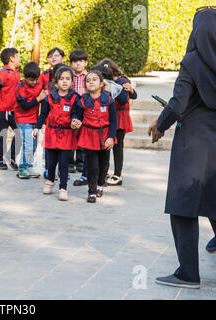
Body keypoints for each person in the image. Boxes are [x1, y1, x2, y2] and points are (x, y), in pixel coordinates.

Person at [149, 8, 216, 289]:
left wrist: (160, 125)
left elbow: (178, 102)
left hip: (195, 142)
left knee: (183, 203)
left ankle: (188, 273)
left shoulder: (192, 61)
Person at [33, 66, 80, 201]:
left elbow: (76, 114)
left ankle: (63, 187)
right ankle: (50, 180)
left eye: (67, 79)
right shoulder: (50, 97)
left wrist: (75, 121)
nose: (64, 82)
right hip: (51, 133)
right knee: (50, 162)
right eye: (61, 79)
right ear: (56, 82)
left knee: (64, 163)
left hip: (66, 134)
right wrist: (37, 127)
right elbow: (43, 114)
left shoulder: (75, 98)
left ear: (72, 82)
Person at [74, 70, 117, 203]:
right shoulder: (83, 100)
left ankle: (100, 185)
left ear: (101, 83)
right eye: (88, 80)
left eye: (94, 79)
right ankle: (92, 191)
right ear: (85, 85)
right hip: (89, 135)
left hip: (105, 135)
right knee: (93, 165)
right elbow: (76, 114)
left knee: (104, 164)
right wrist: (75, 120)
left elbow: (114, 121)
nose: (91, 82)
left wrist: (111, 137)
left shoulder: (108, 99)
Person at [100, 59, 137, 186]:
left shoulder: (122, 81)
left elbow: (127, 97)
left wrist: (130, 90)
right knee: (106, 145)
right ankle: (104, 173)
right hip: (108, 115)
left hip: (120, 116)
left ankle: (117, 174)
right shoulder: (106, 82)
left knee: (118, 146)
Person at [15, 62, 47, 179]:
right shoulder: (20, 88)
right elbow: (25, 106)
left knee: (33, 145)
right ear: (25, 77)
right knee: (28, 144)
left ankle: (28, 165)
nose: (33, 82)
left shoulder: (39, 85)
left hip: (34, 120)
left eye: (35, 80)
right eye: (30, 80)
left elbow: (45, 97)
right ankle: (22, 168)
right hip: (23, 119)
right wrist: (39, 98)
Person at [0, 48, 21, 170]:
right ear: (12, 59)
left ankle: (11, 156)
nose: (19, 58)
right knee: (1, 135)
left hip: (14, 111)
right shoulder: (3, 73)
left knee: (20, 132)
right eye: (18, 56)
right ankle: (1, 159)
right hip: (2, 110)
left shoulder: (17, 73)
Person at [69, 50, 89, 175]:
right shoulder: (69, 75)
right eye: (75, 61)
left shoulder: (89, 76)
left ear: (86, 63)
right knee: (72, 135)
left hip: (85, 109)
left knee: (82, 134)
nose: (78, 64)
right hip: (71, 108)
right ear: (71, 64)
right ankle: (70, 162)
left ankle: (80, 161)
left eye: (81, 61)